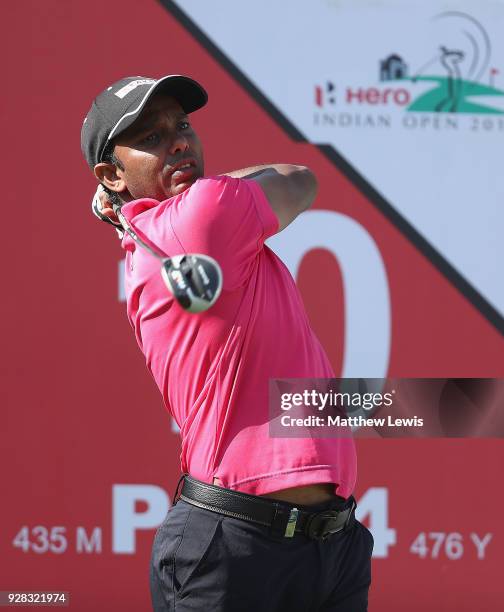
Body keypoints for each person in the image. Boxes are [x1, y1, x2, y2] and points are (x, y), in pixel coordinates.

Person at [81, 75, 373, 611]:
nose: (178, 142)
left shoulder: (193, 218)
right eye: (149, 137)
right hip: (235, 545)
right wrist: (215, 190)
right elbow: (298, 178)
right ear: (111, 175)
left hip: (329, 544)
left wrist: (127, 207)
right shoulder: (204, 213)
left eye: (183, 126)